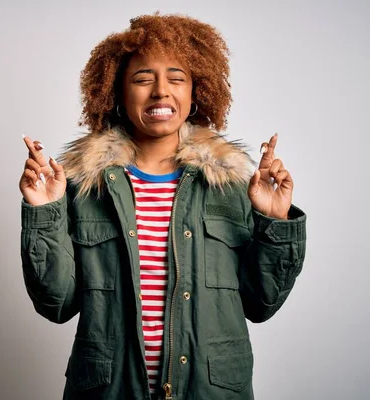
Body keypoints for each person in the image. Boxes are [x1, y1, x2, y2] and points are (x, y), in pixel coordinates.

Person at [18, 13, 306, 400]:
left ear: (195, 92)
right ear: (117, 92)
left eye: (176, 78)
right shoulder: (83, 187)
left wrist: (275, 221)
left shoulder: (232, 185)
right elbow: (57, 303)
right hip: (111, 390)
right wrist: (44, 212)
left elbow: (260, 303)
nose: (160, 91)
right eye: (142, 79)